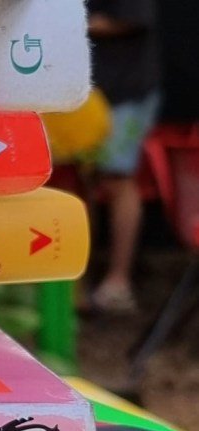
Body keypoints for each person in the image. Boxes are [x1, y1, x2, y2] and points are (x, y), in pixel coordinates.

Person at [88, 0, 162, 313]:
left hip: (125, 92)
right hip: (88, 91)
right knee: (85, 181)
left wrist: (69, 26)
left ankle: (118, 284)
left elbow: (134, 18)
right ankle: (76, 282)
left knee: (117, 180)